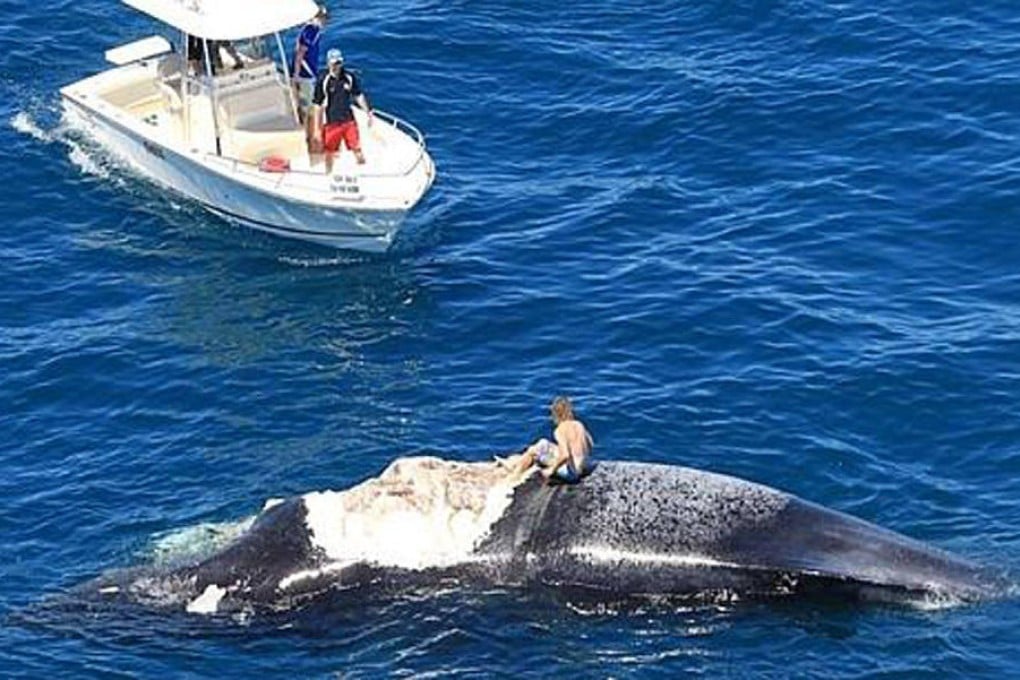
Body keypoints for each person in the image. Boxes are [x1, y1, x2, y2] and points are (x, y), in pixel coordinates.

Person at [313, 48, 374, 170]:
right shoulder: (323, 80)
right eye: (334, 63)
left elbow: (358, 95)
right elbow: (317, 106)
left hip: (348, 121)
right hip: (332, 123)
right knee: (330, 152)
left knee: (357, 149)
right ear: (328, 63)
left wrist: (368, 112)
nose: (337, 66)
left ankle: (363, 170)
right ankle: (328, 172)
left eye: (339, 63)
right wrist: (317, 129)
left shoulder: (349, 77)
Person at [514, 396, 594, 484]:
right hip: (582, 467)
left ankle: (515, 477)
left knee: (532, 451)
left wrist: (551, 470)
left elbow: (565, 455)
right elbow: (590, 444)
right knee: (543, 443)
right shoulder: (579, 425)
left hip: (571, 474)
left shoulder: (560, 429)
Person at [292, 5, 328, 123]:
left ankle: (308, 122)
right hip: (305, 74)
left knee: (309, 100)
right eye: (322, 18)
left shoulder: (314, 30)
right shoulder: (311, 31)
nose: (325, 21)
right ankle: (309, 125)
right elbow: (300, 53)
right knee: (310, 103)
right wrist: (296, 75)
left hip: (309, 72)